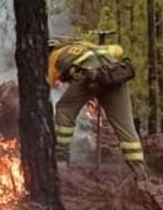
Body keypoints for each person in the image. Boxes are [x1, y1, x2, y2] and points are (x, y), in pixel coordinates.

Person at [48, 38, 147, 176]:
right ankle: (140, 172)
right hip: (115, 76)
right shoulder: (91, 46)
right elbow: (118, 50)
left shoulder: (53, 56)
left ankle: (60, 159)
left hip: (88, 77)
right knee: (126, 126)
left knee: (64, 109)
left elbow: (52, 83)